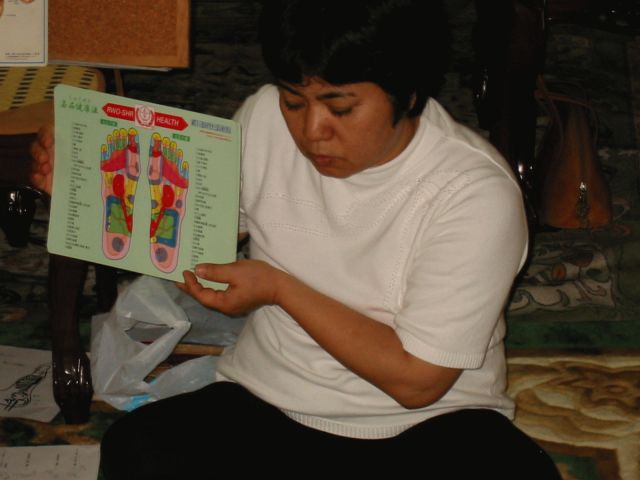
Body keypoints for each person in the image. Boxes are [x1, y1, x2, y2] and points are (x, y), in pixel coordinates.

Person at [31, 1, 561, 477]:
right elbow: (195, 244)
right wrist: (89, 186)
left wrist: (279, 288)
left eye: (341, 107)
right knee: (136, 450)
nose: (312, 131)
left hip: (427, 423)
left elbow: (417, 381)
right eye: (294, 101)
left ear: (409, 93)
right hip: (272, 399)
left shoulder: (473, 191)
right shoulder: (263, 117)